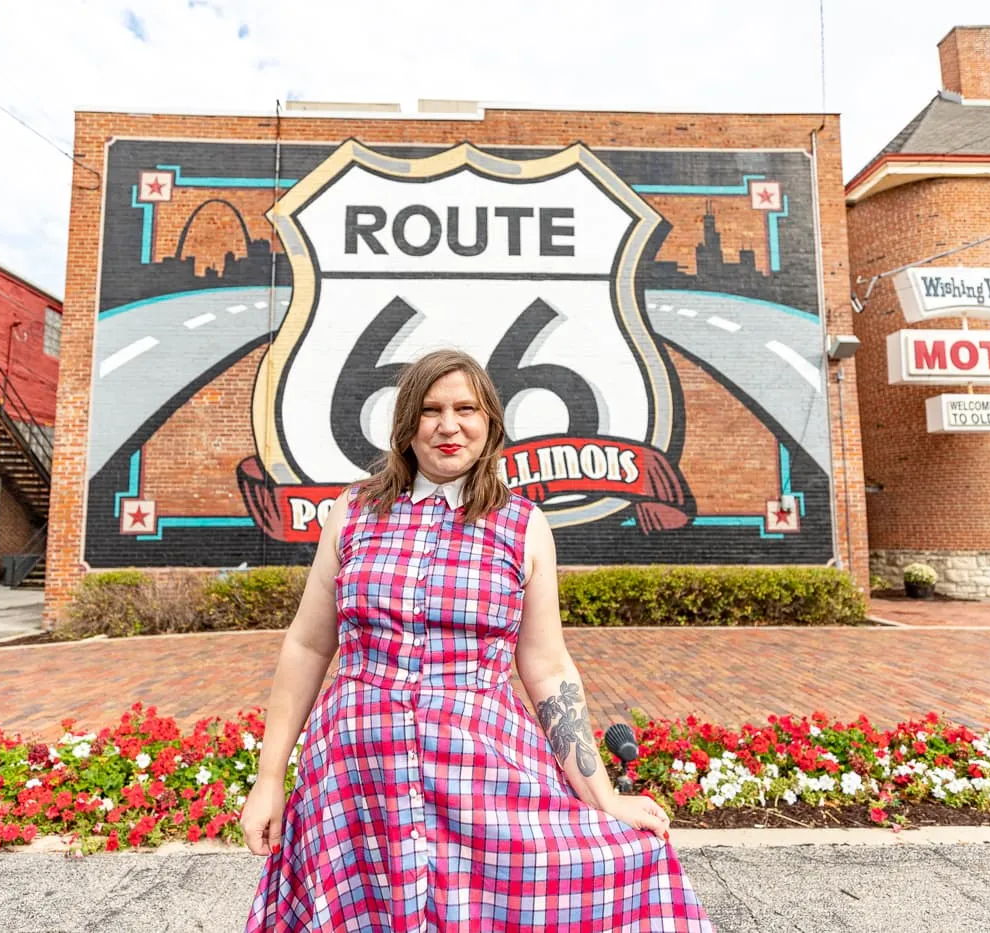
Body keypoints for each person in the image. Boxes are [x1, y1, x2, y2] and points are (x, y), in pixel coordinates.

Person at [241, 349, 715, 931]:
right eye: (431, 409)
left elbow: (547, 667)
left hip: (481, 774)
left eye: (466, 408)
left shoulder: (522, 526)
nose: (448, 425)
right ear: (406, 425)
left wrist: (604, 796)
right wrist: (269, 780)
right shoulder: (355, 512)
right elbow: (309, 646)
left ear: (489, 421)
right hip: (352, 781)